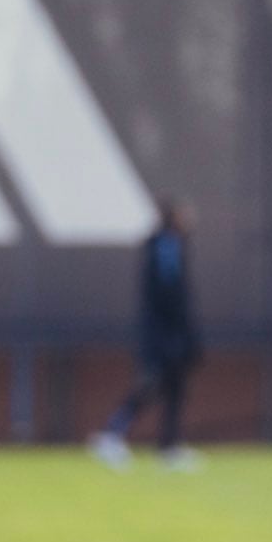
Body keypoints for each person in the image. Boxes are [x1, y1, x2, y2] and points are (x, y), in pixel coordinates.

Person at [89, 200, 200, 469]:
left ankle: (169, 446)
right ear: (173, 217)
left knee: (175, 388)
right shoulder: (164, 246)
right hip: (163, 335)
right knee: (149, 383)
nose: (190, 219)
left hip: (171, 333)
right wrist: (175, 333)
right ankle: (111, 435)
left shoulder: (173, 245)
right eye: (184, 214)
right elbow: (167, 294)